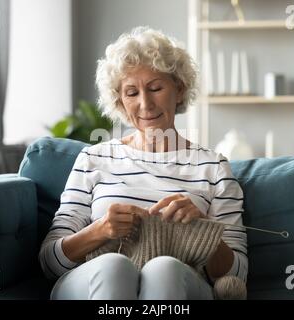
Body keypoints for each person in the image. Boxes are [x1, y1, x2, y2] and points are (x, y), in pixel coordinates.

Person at [39, 26, 248, 300]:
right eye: (131, 93)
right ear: (120, 101)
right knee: (114, 265)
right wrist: (100, 229)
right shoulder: (94, 160)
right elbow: (50, 262)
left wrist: (204, 227)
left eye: (155, 88)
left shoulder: (213, 167)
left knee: (163, 268)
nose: (145, 104)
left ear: (180, 90)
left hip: (181, 284)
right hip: (94, 281)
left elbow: (237, 275)